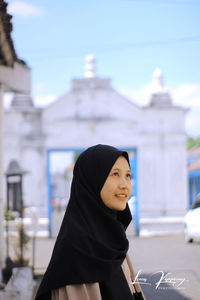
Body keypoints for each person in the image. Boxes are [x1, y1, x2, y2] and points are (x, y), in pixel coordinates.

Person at [35, 144, 146, 300]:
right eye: (115, 174)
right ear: (92, 181)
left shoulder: (113, 239)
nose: (124, 185)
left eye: (128, 176)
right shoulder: (78, 248)